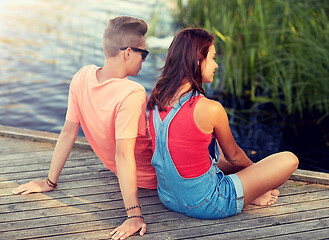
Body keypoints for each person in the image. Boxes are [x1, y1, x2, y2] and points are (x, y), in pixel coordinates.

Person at [12, 16, 157, 239]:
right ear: (127, 53)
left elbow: (68, 132)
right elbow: (124, 154)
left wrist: (50, 181)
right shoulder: (132, 92)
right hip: (157, 173)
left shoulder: (81, 77)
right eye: (143, 54)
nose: (144, 60)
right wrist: (133, 214)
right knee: (219, 157)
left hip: (128, 171)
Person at [147, 28, 299, 219]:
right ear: (197, 60)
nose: (216, 65)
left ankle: (247, 193)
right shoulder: (209, 108)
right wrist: (259, 180)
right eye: (212, 58)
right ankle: (248, 194)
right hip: (208, 203)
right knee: (290, 159)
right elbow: (235, 156)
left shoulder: (157, 97)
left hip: (168, 198)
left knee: (215, 154)